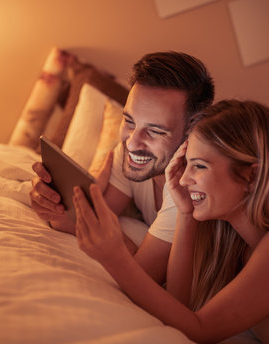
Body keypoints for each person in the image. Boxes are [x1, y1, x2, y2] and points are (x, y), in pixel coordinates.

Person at [73, 100, 269, 343]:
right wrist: (185, 214)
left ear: (251, 175)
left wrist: (114, 257)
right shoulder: (230, 229)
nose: (184, 179)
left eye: (198, 166)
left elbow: (199, 329)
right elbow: (180, 304)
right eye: (187, 165)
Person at [30, 51, 215, 284]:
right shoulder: (129, 153)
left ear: (192, 130)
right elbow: (79, 221)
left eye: (155, 131)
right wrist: (50, 202)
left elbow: (143, 278)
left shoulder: (189, 187)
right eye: (129, 122)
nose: (132, 142)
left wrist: (116, 238)